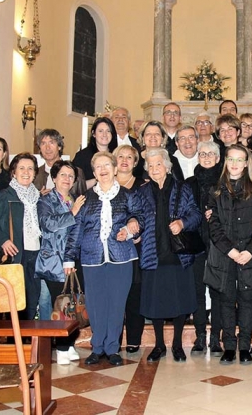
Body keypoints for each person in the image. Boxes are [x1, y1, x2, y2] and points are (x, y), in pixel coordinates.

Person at [65, 151, 143, 366]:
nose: (103, 169)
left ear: (115, 169)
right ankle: (97, 347)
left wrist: (130, 228)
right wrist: (69, 258)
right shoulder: (86, 198)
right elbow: (76, 230)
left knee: (117, 304)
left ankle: (112, 348)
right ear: (94, 172)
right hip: (92, 258)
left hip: (122, 257)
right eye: (98, 166)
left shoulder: (128, 195)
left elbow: (139, 218)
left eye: (107, 165)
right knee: (96, 304)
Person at [205, 144, 252, 365]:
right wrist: (232, 251)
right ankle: (229, 347)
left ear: (246, 164)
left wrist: (249, 252)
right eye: (230, 159)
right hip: (225, 254)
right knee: (226, 301)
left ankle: (244, 346)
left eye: (239, 160)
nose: (234, 164)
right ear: (225, 161)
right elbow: (214, 227)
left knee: (247, 300)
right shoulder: (215, 190)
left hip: (249, 254)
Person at [139, 149, 201, 363]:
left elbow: (196, 214)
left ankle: (176, 344)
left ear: (167, 165)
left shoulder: (183, 188)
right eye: (151, 165)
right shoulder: (142, 191)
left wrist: (182, 223)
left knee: (180, 301)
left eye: (158, 164)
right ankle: (158, 345)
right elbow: (135, 217)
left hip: (177, 255)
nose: (154, 169)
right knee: (155, 303)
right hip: (152, 254)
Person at [35, 160, 86, 364]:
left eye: (70, 176)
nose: (67, 179)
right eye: (62, 175)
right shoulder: (45, 200)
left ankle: (69, 343)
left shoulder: (76, 199)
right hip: (53, 260)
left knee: (72, 304)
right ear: (54, 178)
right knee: (59, 304)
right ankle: (60, 347)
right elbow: (48, 225)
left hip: (74, 259)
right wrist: (72, 212)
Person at [0, 153, 42, 319]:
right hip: (16, 256)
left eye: (30, 168)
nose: (26, 172)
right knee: (15, 304)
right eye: (22, 168)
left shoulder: (39, 197)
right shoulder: (4, 197)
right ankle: (12, 342)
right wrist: (3, 240)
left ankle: (27, 342)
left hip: (36, 255)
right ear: (13, 172)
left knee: (32, 301)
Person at [185, 140, 224, 356]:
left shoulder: (226, 181)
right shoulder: (189, 183)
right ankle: (201, 334)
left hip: (220, 244)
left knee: (218, 290)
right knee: (198, 289)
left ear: (218, 158)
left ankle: (216, 336)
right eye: (202, 154)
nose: (206, 157)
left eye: (211, 154)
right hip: (196, 243)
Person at [113, 145, 146, 354]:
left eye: (129, 157)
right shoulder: (105, 184)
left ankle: (134, 338)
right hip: (113, 248)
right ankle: (113, 339)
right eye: (120, 156)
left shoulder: (144, 186)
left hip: (137, 246)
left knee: (135, 294)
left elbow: (150, 215)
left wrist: (140, 233)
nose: (125, 160)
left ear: (135, 162)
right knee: (114, 295)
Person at [34, 129, 87, 198]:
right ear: (40, 148)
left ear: (59, 146)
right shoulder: (36, 174)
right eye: (43, 143)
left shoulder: (76, 172)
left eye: (51, 143)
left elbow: (83, 200)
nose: (47, 148)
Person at [72, 116, 118, 189]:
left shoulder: (117, 155)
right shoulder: (82, 156)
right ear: (93, 134)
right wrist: (97, 180)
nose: (104, 134)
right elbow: (75, 186)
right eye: (100, 131)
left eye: (108, 131)